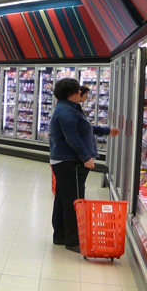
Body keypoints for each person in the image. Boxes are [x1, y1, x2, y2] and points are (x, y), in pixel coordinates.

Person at [50, 78, 119, 253]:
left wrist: (106, 130)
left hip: (67, 160)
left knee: (63, 199)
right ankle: (73, 241)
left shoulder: (71, 109)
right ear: (70, 93)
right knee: (75, 201)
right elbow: (72, 138)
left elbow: (84, 128)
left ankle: (60, 236)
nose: (81, 93)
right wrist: (86, 157)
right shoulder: (66, 112)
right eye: (78, 91)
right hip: (69, 162)